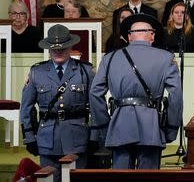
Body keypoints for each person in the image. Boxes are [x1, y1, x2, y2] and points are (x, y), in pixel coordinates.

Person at [89, 14, 183, 169]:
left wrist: (105, 127)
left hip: (119, 125)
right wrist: (171, 129)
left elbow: (94, 94)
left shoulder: (109, 58)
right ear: (152, 36)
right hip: (151, 126)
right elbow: (176, 96)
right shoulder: (166, 58)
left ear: (129, 37)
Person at [20, 24, 94, 182]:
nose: (58, 51)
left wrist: (95, 135)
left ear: (70, 46)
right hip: (48, 139)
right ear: (48, 48)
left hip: (78, 139)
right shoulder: (37, 72)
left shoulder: (85, 71)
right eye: (54, 48)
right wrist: (29, 137)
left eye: (63, 47)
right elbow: (26, 108)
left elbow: (96, 106)